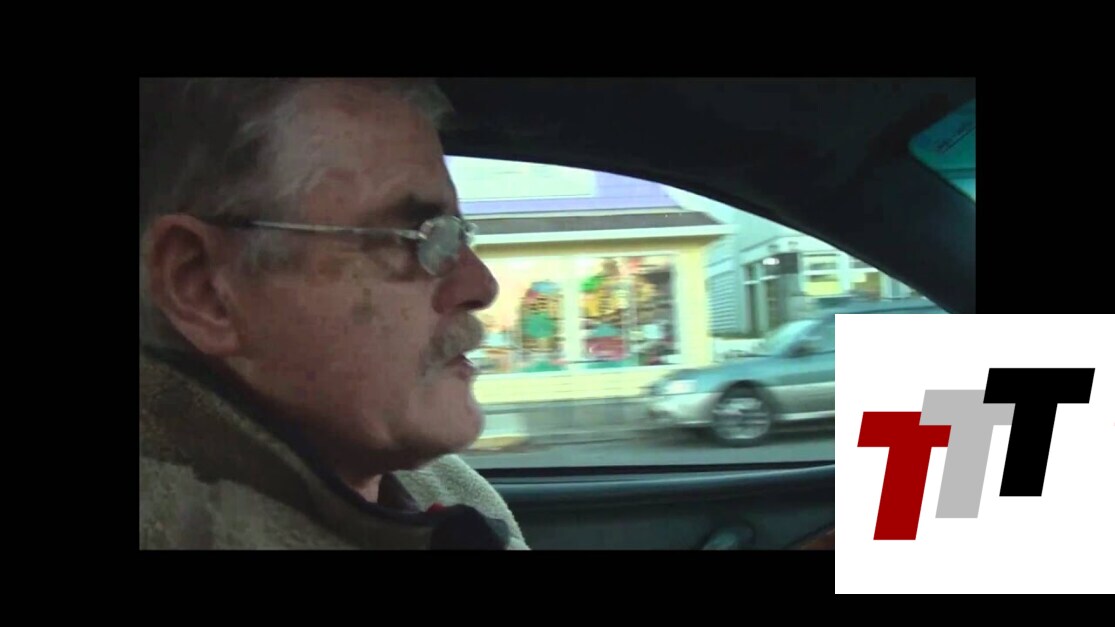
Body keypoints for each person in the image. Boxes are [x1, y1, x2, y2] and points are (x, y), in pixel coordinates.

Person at [139, 77, 529, 549]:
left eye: (458, 235)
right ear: (204, 289)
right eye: (422, 238)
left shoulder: (444, 489)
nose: (481, 286)